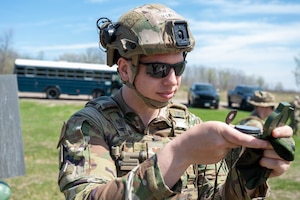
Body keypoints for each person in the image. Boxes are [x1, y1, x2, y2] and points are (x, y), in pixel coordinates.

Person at [57, 4, 293, 199]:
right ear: (125, 70)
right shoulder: (89, 126)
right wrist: (179, 154)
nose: (172, 81)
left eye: (178, 68)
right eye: (158, 69)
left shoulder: (189, 124)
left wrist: (248, 177)